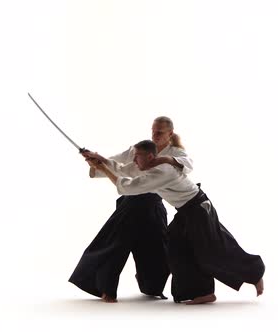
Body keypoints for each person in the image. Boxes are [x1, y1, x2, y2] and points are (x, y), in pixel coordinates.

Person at [88, 140, 265, 304]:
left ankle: (254, 272)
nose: (133, 160)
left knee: (213, 249)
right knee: (176, 247)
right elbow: (123, 169)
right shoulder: (145, 165)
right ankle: (200, 292)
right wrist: (101, 161)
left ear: (150, 157)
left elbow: (127, 187)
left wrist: (104, 168)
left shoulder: (163, 171)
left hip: (199, 209)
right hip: (185, 212)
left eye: (137, 156)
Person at [69, 117, 192, 303]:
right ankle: (106, 289)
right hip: (131, 204)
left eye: (159, 132)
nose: (155, 135)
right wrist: (97, 162)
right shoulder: (141, 149)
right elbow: (119, 165)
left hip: (153, 205)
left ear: (170, 134)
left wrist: (165, 158)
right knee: (115, 245)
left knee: (157, 249)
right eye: (153, 131)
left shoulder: (176, 153)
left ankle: (152, 286)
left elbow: (187, 165)